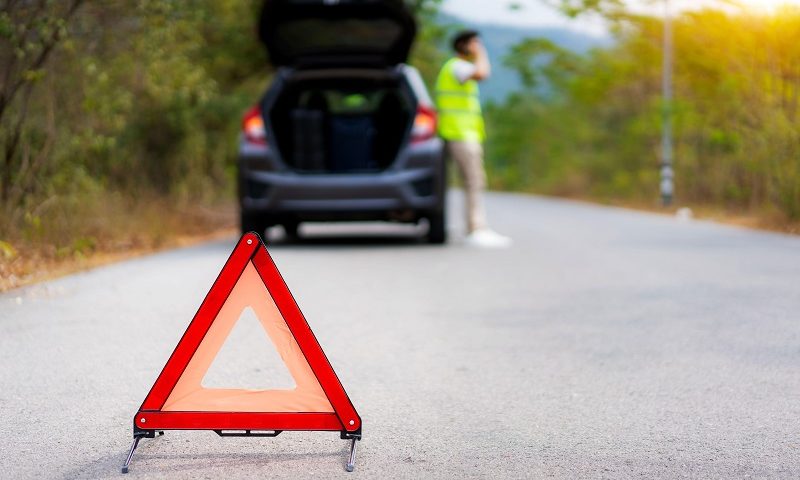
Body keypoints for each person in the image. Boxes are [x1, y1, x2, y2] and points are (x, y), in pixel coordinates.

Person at [435, 30, 512, 248]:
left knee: (467, 181)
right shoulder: (458, 66)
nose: (478, 46)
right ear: (464, 45)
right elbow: (482, 73)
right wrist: (481, 53)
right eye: (474, 43)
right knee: (473, 180)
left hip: (457, 132)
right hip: (460, 134)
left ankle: (474, 227)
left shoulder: (452, 67)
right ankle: (475, 229)